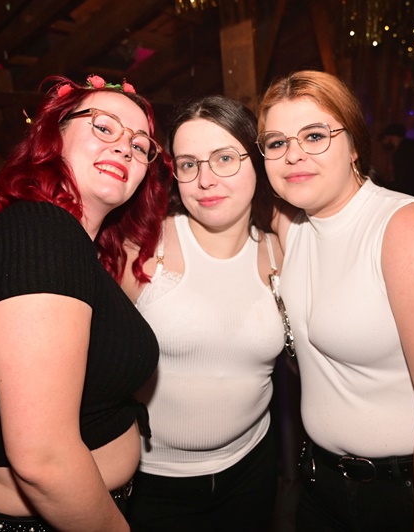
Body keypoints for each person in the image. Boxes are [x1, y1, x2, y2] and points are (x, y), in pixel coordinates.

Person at [258, 70, 414, 531]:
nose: (293, 154)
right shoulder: (291, 226)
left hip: (405, 493)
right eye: (276, 142)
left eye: (314, 135)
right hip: (319, 486)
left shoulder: (409, 230)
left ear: (355, 145)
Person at [0, 75, 170, 531]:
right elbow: (43, 459)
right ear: (54, 136)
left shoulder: (71, 242)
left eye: (140, 144)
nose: (125, 147)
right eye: (104, 126)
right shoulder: (39, 231)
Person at [120, 95, 284, 531]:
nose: (205, 180)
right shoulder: (141, 250)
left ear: (256, 161)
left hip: (252, 468)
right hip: (153, 482)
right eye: (189, 164)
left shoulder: (280, 251)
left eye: (224, 158)